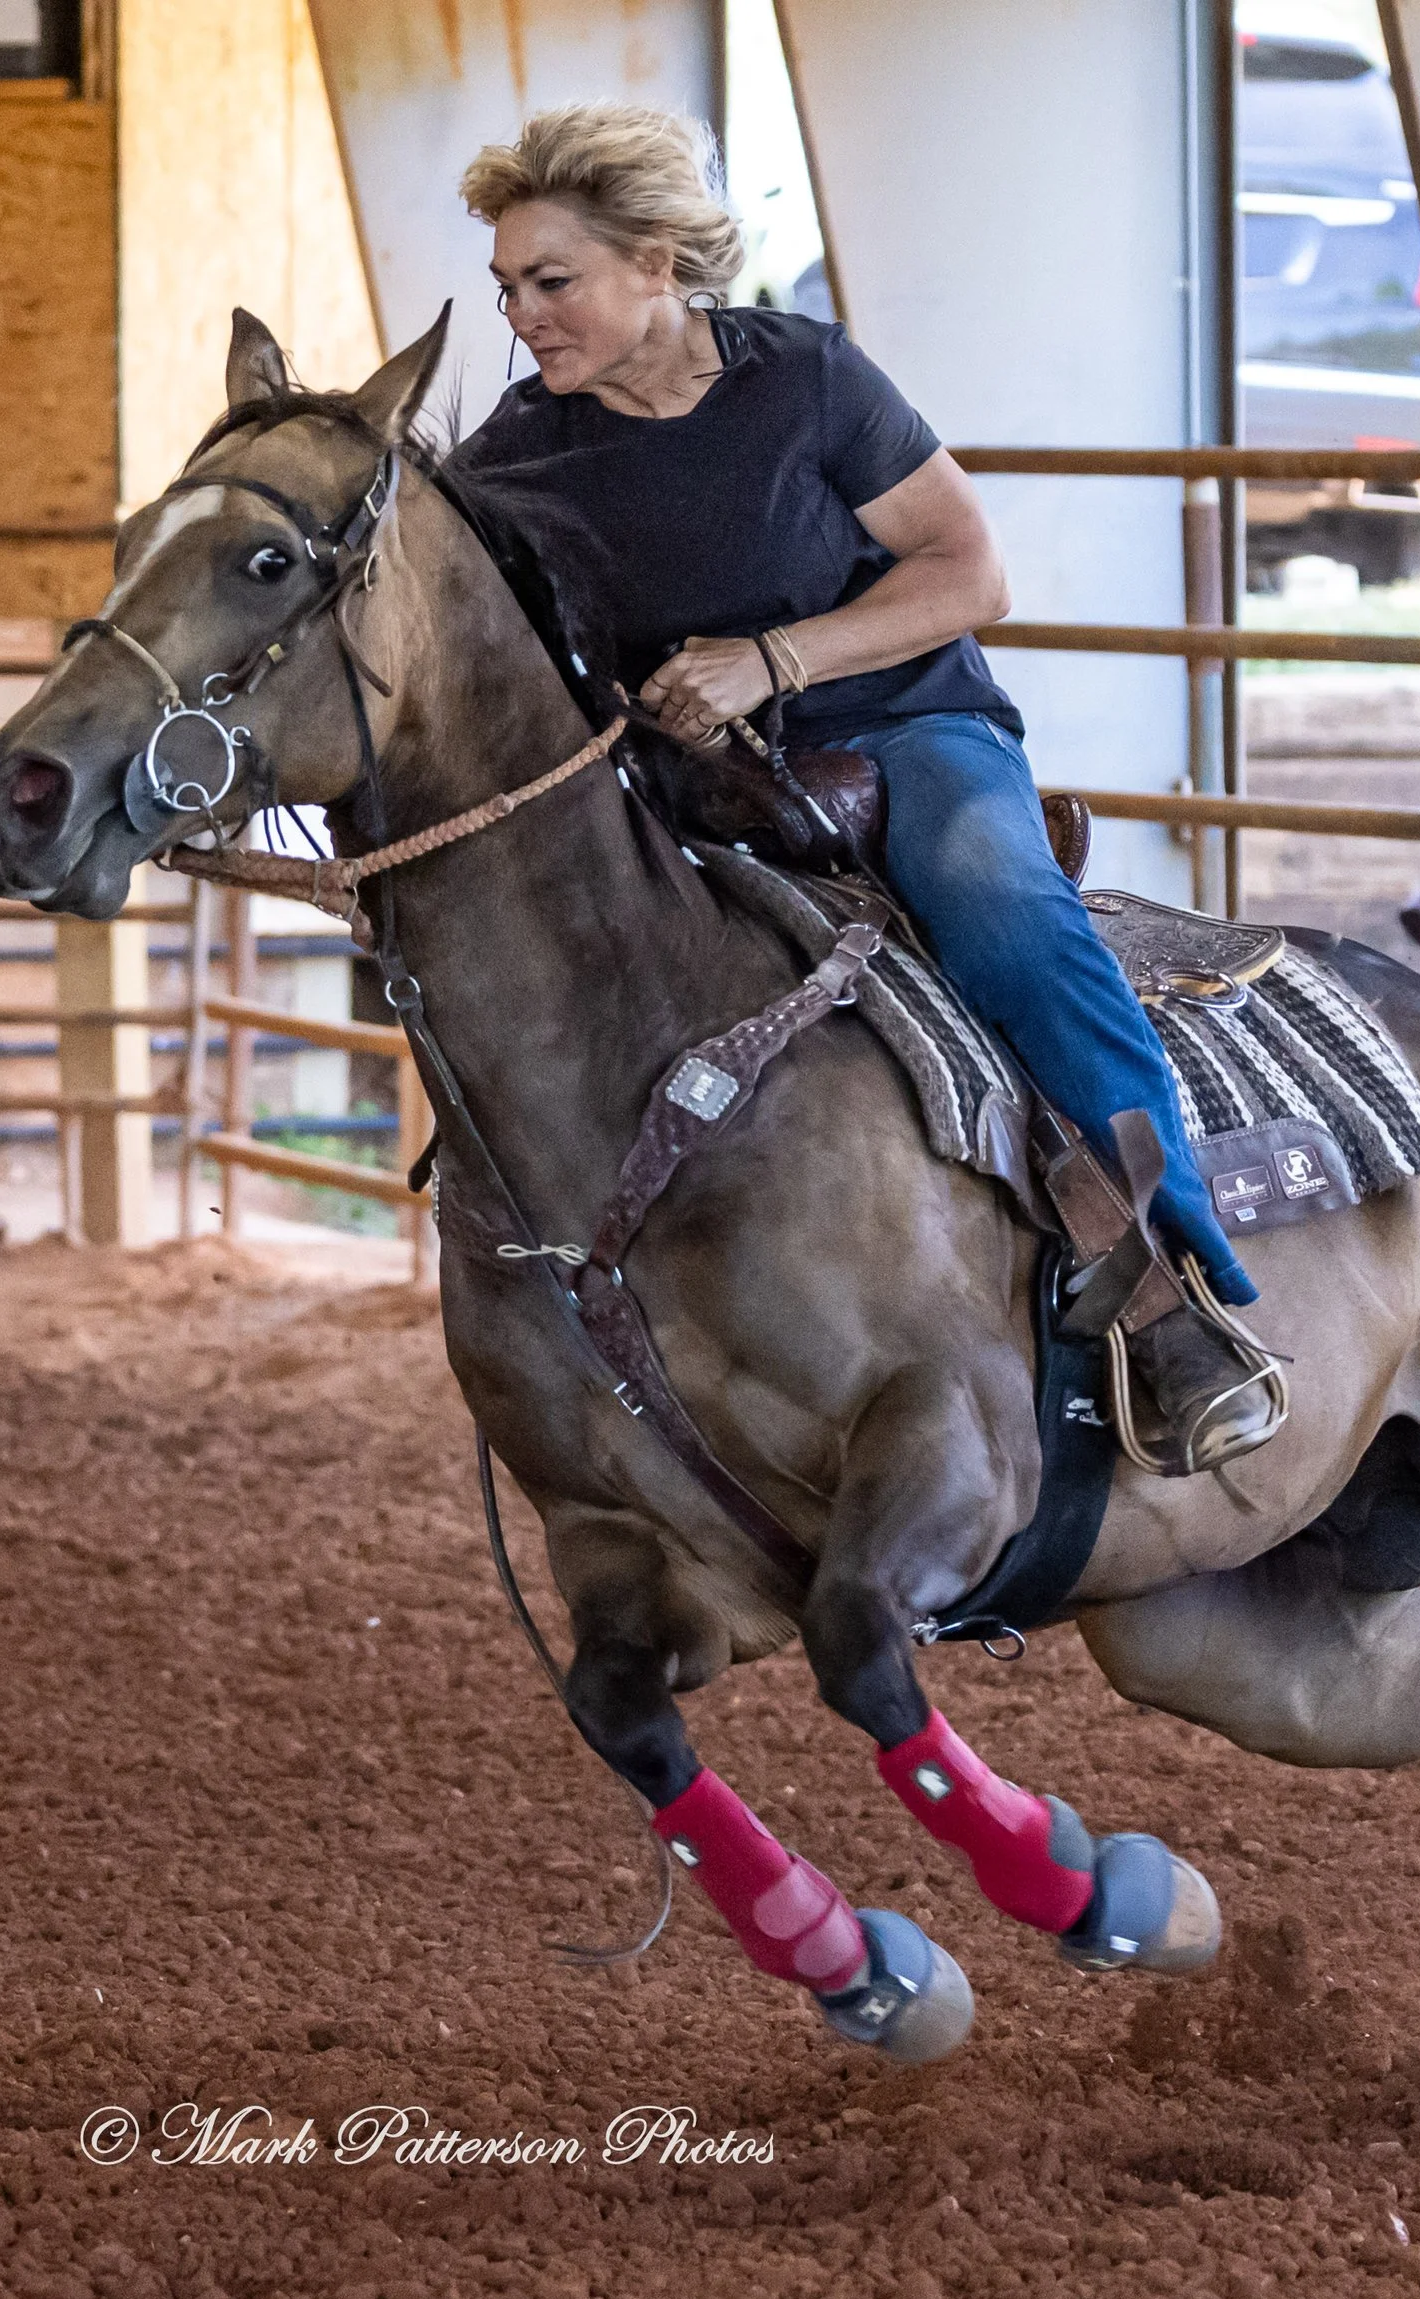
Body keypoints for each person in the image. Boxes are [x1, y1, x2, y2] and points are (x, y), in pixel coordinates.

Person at [451, 101, 1278, 1472]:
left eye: (552, 281)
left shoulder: (808, 380)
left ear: (656, 263)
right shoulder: (517, 456)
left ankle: (1175, 1285)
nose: (524, 317)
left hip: (906, 732)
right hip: (691, 783)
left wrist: (770, 660)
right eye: (507, 289)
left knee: (1005, 916)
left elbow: (971, 573)